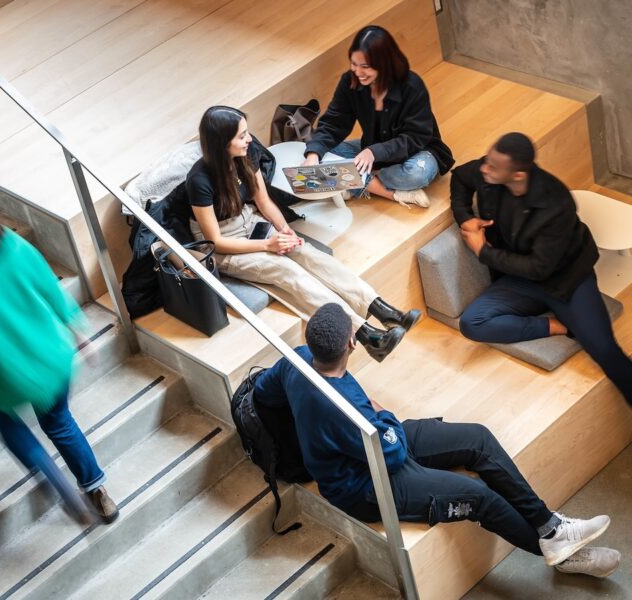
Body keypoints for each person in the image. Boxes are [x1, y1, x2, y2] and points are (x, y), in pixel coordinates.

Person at [254, 303, 621, 577]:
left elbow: (263, 393)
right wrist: (380, 416)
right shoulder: (348, 411)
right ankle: (559, 555)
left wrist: (309, 424)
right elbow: (393, 452)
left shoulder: (298, 360)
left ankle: (550, 527)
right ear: (352, 342)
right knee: (478, 496)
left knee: (477, 439)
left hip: (374, 443)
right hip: (366, 484)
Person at [0, 189, 119, 524]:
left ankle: (48, 472)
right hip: (53, 361)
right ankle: (98, 491)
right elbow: (48, 285)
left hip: (9, 379)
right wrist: (78, 330)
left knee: (9, 425)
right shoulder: (12, 246)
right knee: (59, 422)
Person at [187, 105, 421, 362]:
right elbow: (216, 242)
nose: (250, 139)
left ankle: (381, 308)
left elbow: (263, 203)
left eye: (247, 132)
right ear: (222, 143)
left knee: (306, 252)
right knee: (287, 270)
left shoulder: (247, 154)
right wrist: (268, 246)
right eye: (242, 136)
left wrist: (285, 231)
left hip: (250, 219)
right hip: (226, 242)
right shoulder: (199, 181)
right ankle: (367, 335)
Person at [452, 132, 632, 404]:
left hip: (565, 281)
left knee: (606, 351)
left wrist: (482, 251)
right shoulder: (489, 173)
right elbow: (460, 178)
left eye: (492, 166)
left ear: (518, 175)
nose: (484, 169)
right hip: (518, 279)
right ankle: (559, 326)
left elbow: (540, 269)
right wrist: (466, 218)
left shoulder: (555, 204)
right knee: (472, 323)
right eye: (487, 161)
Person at [302, 25, 454, 208]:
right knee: (320, 152)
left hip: (417, 151)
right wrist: (313, 154)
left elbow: (416, 137)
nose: (358, 72)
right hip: (371, 151)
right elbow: (334, 122)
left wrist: (374, 152)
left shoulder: (412, 86)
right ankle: (389, 192)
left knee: (416, 174)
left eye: (365, 66)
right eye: (354, 64)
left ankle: (353, 183)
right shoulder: (350, 81)